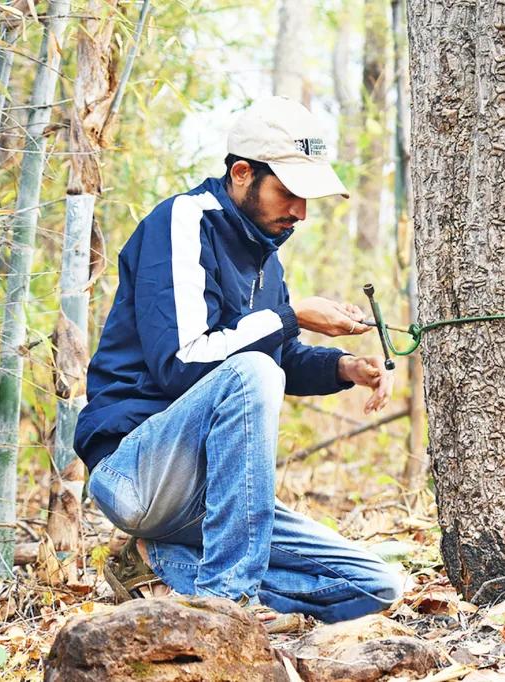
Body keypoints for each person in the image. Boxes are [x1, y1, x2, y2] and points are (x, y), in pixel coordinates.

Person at [74, 96, 403, 631]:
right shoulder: (183, 220)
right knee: (252, 373)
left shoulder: (265, 252)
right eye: (289, 192)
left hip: (217, 498)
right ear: (242, 173)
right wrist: (292, 314)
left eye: (307, 197)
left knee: (377, 585)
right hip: (136, 467)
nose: (300, 212)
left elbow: (279, 359)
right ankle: (226, 605)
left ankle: (155, 566)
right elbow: (184, 362)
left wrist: (344, 367)